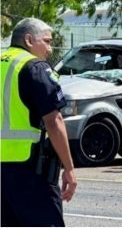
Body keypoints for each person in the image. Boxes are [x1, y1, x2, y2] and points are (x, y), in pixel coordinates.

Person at [1, 18, 77, 226]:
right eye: (46, 41)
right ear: (28, 40)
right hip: (30, 169)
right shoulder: (33, 67)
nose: (50, 48)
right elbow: (54, 121)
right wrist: (69, 168)